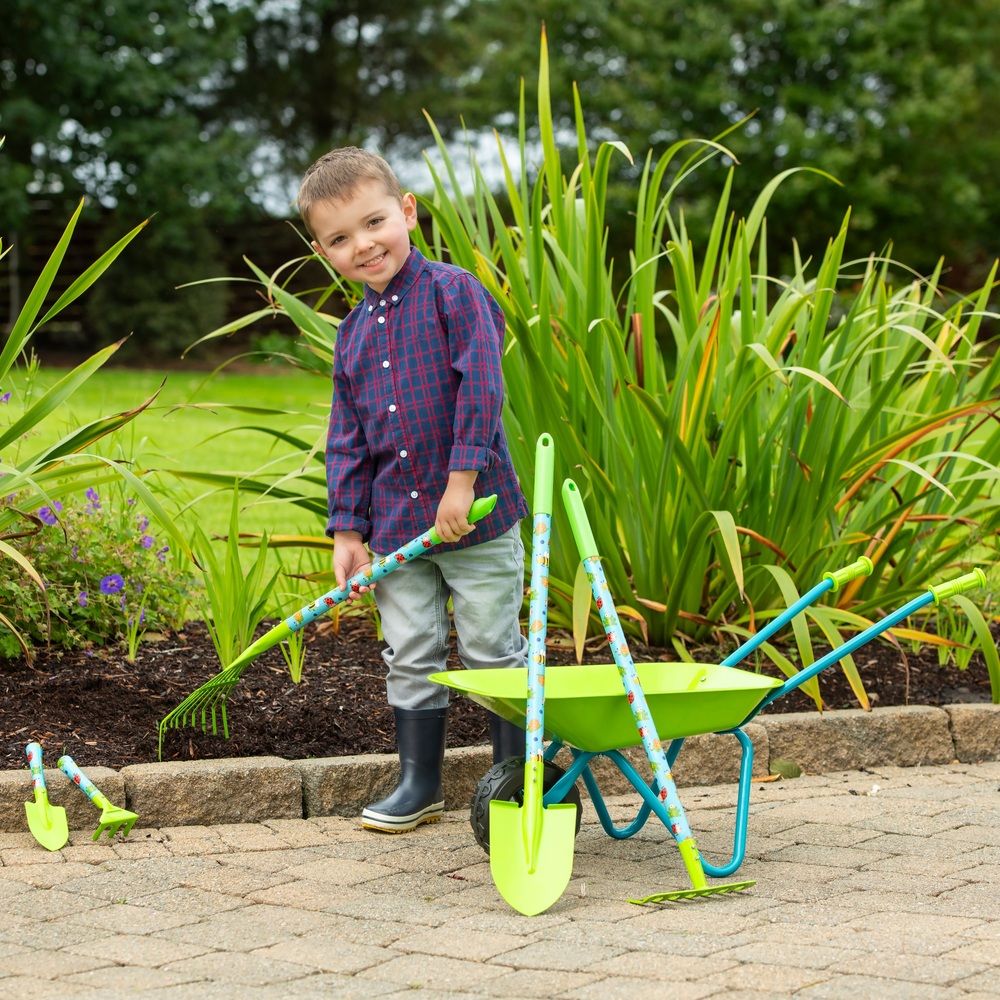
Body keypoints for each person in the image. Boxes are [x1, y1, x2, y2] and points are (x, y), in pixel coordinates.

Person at [298, 147, 528, 833]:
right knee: (411, 652)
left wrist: (462, 482)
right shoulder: (352, 337)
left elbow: (483, 391)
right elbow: (349, 439)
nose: (363, 244)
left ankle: (514, 779)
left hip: (477, 520)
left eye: (374, 223)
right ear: (324, 251)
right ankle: (420, 782)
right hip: (399, 530)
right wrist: (348, 532)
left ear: (407, 211)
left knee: (490, 646)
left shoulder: (456, 293)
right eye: (340, 238)